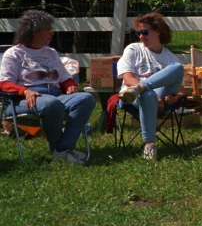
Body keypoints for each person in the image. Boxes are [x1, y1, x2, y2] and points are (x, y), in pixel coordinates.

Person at [0, 10, 96, 164]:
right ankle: (63, 152)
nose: (52, 33)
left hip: (53, 98)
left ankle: (63, 149)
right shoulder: (14, 54)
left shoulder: (51, 53)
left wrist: (70, 86)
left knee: (86, 98)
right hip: (21, 101)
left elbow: (65, 78)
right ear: (34, 32)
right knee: (52, 104)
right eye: (48, 29)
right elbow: (4, 83)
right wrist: (25, 91)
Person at [116, 12, 185, 160]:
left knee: (178, 67)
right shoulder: (133, 49)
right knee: (148, 94)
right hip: (133, 96)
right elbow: (128, 79)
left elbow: (181, 88)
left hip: (158, 95)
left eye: (145, 32)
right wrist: (152, 94)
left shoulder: (170, 57)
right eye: (138, 33)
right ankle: (150, 145)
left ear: (158, 31)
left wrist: (177, 96)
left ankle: (141, 88)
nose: (141, 36)